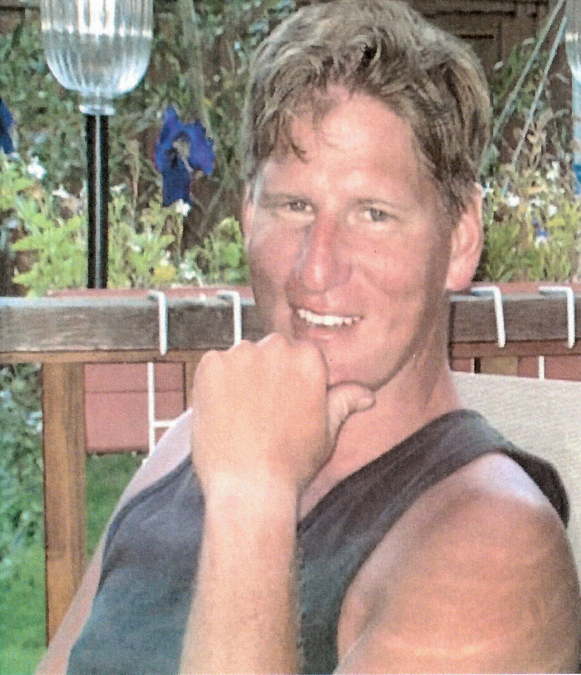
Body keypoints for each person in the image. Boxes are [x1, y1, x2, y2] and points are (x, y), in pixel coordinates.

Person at [38, 1, 580, 673]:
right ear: (247, 216)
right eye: (294, 206)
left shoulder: (495, 545)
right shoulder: (192, 446)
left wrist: (253, 496)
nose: (316, 270)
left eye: (373, 214)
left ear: (461, 238)